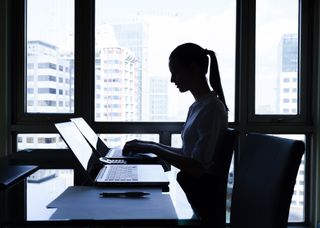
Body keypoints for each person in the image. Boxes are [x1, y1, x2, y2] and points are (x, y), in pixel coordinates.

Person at [123, 42, 228, 225]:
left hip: (201, 200)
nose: (172, 80)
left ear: (193, 69)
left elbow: (196, 166)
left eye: (176, 72)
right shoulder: (198, 106)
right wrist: (150, 145)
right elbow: (188, 154)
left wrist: (152, 148)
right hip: (194, 193)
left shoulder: (212, 109)